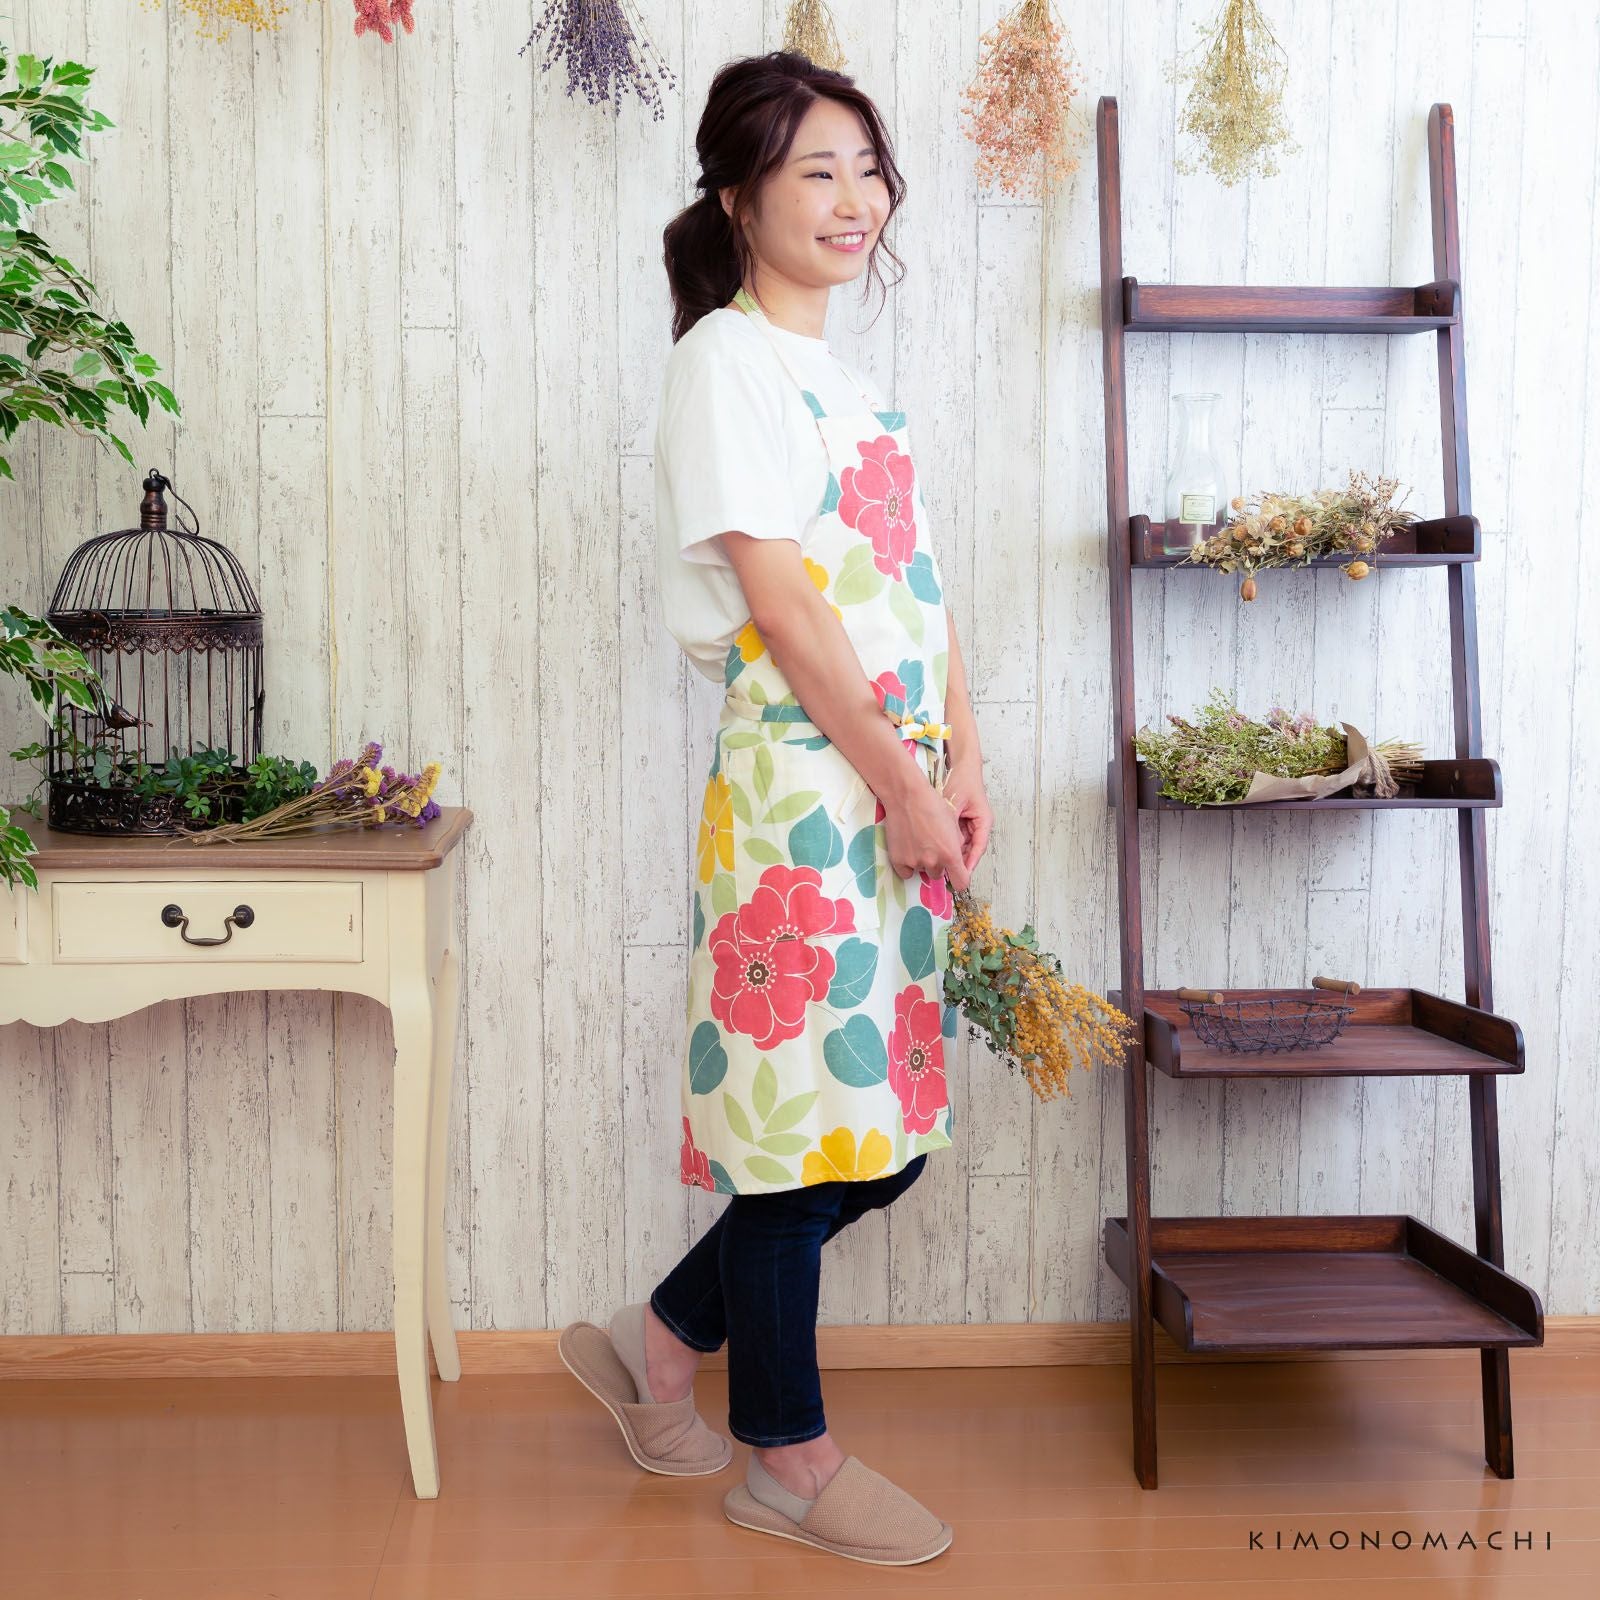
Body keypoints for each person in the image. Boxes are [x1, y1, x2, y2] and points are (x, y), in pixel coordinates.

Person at [559, 49, 992, 1568]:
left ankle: (662, 1341)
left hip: (891, 782)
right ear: (740, 197)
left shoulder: (849, 386)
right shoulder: (723, 364)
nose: (854, 198)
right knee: (803, 1145)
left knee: (884, 1135)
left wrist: (965, 760)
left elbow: (917, 593)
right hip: (806, 791)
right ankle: (785, 1458)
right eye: (818, 170)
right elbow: (789, 611)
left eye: (869, 169)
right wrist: (898, 778)